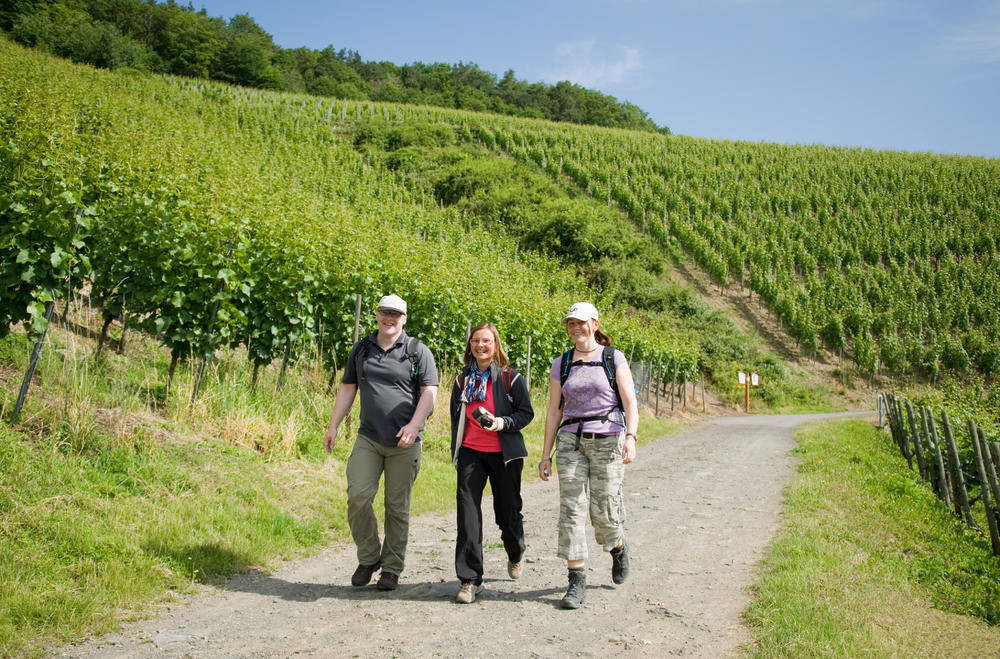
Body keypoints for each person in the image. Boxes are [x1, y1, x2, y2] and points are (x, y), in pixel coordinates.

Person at [323, 294, 438, 591]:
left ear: (404, 319)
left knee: (396, 507)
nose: (389, 318)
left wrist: (414, 425)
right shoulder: (362, 349)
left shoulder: (417, 351)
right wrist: (334, 424)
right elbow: (348, 388)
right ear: (376, 315)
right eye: (385, 312)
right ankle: (369, 557)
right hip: (369, 438)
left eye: (395, 314)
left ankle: (391, 568)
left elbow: (429, 392)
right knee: (358, 497)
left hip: (405, 443)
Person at [538, 302, 639, 609]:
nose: (575, 328)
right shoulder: (562, 363)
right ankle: (576, 579)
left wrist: (631, 438)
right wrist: (545, 455)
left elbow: (630, 403)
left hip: (607, 440)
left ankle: (617, 546)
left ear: (595, 324)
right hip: (571, 442)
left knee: (604, 511)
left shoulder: (612, 357)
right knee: (571, 510)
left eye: (581, 322)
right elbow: (554, 411)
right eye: (571, 323)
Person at [449, 323, 534, 604]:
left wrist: (502, 423)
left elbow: (526, 413)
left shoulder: (511, 378)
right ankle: (470, 580)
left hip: (505, 455)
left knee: (507, 514)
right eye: (475, 341)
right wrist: (456, 453)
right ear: (470, 346)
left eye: (486, 340)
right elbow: (455, 418)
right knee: (467, 515)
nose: (480, 345)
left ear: (496, 345)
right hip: (471, 453)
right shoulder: (462, 380)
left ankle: (516, 551)